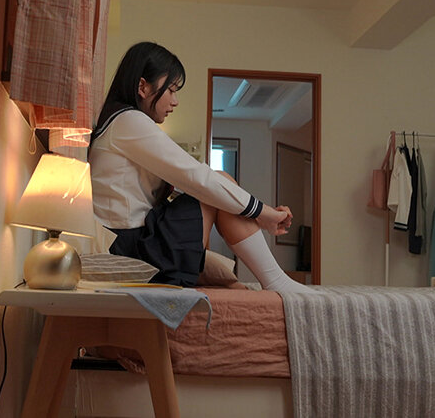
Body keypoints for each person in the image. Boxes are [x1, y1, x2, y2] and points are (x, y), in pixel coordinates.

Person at [89, 41, 317, 293]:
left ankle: (274, 279)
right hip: (131, 252)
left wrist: (259, 214)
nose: (175, 101)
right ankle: (275, 280)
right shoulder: (128, 121)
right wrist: (263, 213)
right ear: (143, 87)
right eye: (170, 90)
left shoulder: (118, 122)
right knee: (216, 183)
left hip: (131, 243)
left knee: (218, 188)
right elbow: (197, 178)